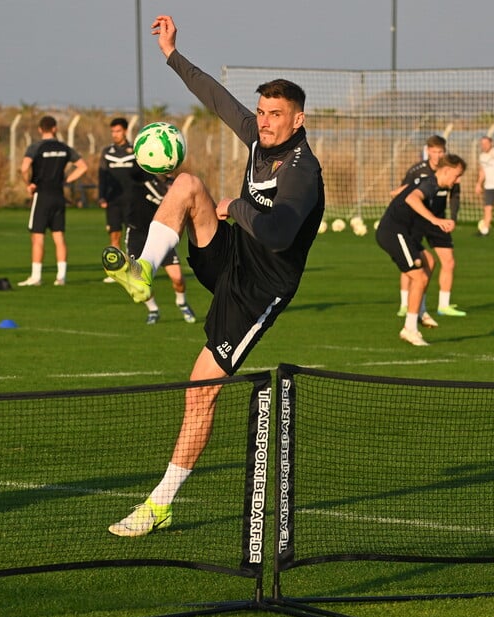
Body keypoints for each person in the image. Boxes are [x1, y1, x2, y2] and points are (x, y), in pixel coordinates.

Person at [101, 14, 324, 537]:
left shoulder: (302, 172)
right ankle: (142, 273)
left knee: (200, 392)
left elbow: (278, 233)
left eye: (276, 115)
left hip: (258, 288)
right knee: (186, 186)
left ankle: (161, 503)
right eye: (263, 112)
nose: (264, 121)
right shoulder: (257, 137)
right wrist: (172, 56)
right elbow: (217, 97)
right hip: (230, 256)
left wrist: (236, 207)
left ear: (298, 120)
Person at [376, 154, 466, 347]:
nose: (457, 181)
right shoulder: (431, 184)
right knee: (419, 277)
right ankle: (409, 329)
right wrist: (436, 220)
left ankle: (421, 311)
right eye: (457, 176)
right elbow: (412, 198)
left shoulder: (430, 183)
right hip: (393, 232)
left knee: (430, 262)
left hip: (402, 233)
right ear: (447, 170)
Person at [393, 135, 466, 321]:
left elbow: (455, 197)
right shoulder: (418, 171)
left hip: (437, 221)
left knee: (448, 261)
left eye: (441, 151)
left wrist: (453, 218)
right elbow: (404, 192)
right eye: (434, 151)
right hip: (418, 220)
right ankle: (405, 303)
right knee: (412, 262)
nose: (437, 155)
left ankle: (444, 305)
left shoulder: (451, 173)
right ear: (428, 151)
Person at [18, 116, 88, 286]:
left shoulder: (36, 147)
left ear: (40, 129)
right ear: (55, 128)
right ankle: (61, 277)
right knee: (59, 237)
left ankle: (36, 277)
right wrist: (67, 181)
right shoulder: (64, 148)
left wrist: (29, 184)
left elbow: (24, 167)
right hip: (58, 196)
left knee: (38, 237)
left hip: (41, 195)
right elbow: (83, 166)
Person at [125, 174, 197, 325]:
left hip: (160, 234)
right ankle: (153, 310)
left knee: (177, 278)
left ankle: (182, 303)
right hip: (137, 235)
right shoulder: (140, 181)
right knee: (139, 281)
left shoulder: (174, 185)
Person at [98, 117, 138, 283]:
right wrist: (102, 196)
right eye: (113, 131)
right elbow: (102, 175)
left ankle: (134, 270)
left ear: (125, 131)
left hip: (133, 201)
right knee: (114, 235)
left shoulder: (135, 151)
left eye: (118, 131)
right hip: (113, 201)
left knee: (133, 237)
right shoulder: (107, 152)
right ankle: (116, 271)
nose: (115, 134)